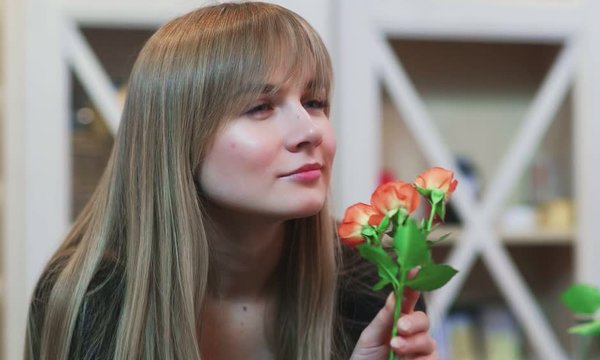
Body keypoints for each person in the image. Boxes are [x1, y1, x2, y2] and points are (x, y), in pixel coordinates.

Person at [25, 2, 438, 359]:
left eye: (314, 102)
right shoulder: (89, 300)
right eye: (260, 107)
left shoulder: (371, 283)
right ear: (178, 139)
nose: (310, 131)